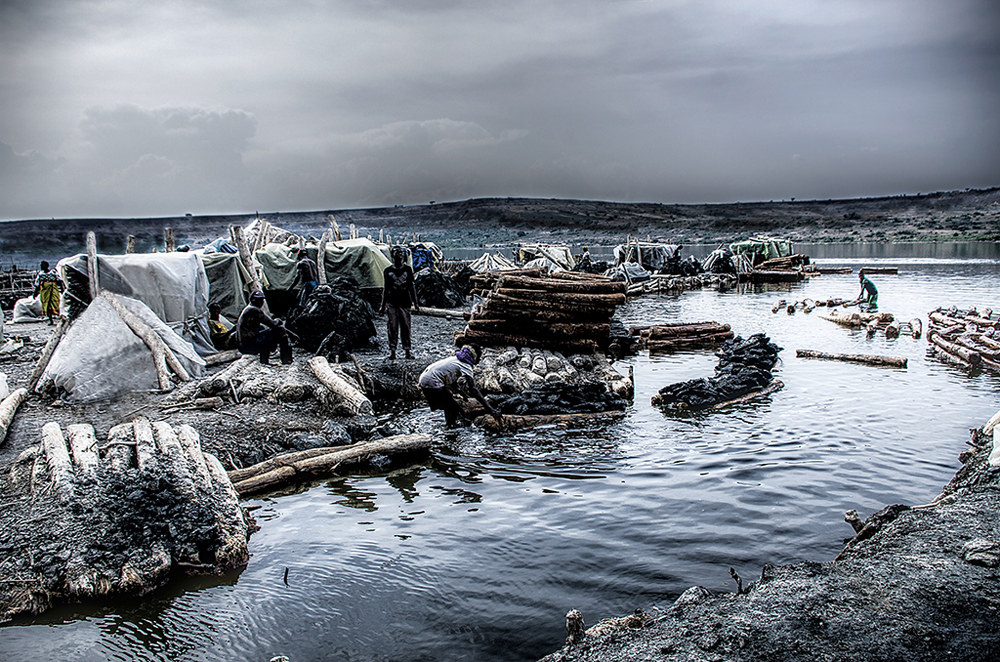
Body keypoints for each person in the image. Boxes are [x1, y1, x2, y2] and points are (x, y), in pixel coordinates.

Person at [418, 345, 503, 428]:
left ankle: (453, 424)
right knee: (451, 405)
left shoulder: (455, 359)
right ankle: (450, 427)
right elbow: (473, 389)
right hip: (432, 381)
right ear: (475, 357)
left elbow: (452, 381)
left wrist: (464, 395)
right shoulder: (465, 365)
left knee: (449, 402)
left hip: (424, 378)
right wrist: (491, 410)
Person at [379, 245, 419, 360]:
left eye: (401, 252)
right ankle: (393, 351)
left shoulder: (408, 270)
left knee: (406, 327)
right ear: (392, 255)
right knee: (392, 327)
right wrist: (382, 306)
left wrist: (416, 303)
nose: (399, 254)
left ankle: (407, 351)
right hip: (392, 303)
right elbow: (386, 289)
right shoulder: (388, 271)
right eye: (396, 252)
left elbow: (411, 287)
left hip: (405, 303)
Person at [236, 290, 295, 364]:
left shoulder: (248, 308)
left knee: (263, 329)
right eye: (258, 300)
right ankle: (287, 360)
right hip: (248, 346)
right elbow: (273, 324)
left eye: (261, 300)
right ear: (252, 300)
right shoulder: (254, 310)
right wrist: (278, 320)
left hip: (244, 344)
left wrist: (291, 333)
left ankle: (264, 360)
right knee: (279, 331)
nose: (261, 302)